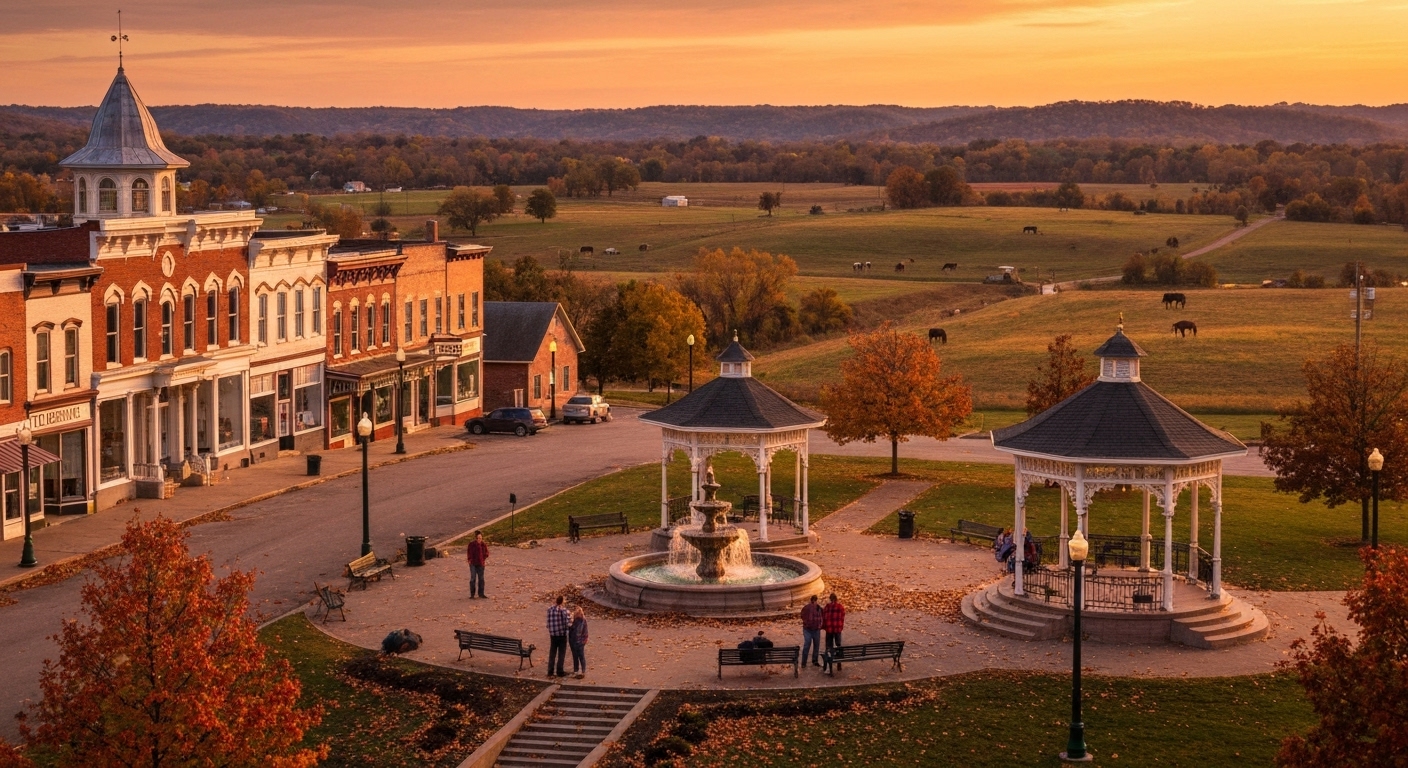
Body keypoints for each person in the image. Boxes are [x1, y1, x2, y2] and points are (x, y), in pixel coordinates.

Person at [546, 596, 570, 677]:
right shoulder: (564, 611)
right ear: (562, 602)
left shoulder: (549, 610)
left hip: (553, 635)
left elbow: (548, 623)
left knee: (552, 653)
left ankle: (550, 671)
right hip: (562, 635)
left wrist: (551, 630)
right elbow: (568, 623)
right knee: (561, 654)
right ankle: (560, 671)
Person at [822, 592, 845, 670]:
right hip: (837, 629)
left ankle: (828, 665)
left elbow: (824, 617)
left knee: (828, 647)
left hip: (829, 630)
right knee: (838, 645)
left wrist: (825, 627)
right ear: (836, 599)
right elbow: (842, 617)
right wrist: (840, 627)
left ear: (830, 599)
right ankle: (839, 663)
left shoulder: (827, 607)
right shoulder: (840, 607)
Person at [800, 595, 823, 668]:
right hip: (815, 629)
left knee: (807, 645)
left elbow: (802, 615)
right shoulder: (819, 608)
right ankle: (815, 661)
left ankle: (804, 663)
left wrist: (806, 623)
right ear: (816, 600)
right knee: (816, 645)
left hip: (808, 629)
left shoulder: (806, 607)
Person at [466, 531, 489, 598]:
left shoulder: (483, 544)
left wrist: (484, 557)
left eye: (480, 538)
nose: (479, 539)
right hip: (473, 563)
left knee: (481, 579)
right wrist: (470, 560)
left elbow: (487, 552)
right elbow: (469, 553)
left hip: (481, 563)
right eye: (478, 538)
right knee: (473, 578)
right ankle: (472, 594)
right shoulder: (472, 544)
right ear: (476, 538)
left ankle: (481, 593)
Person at [568, 607, 589, 678]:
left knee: (581, 656)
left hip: (580, 641)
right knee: (575, 657)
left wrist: (583, 641)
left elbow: (585, 632)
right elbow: (570, 630)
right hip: (573, 641)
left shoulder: (583, 621)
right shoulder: (573, 620)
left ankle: (583, 671)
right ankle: (576, 670)